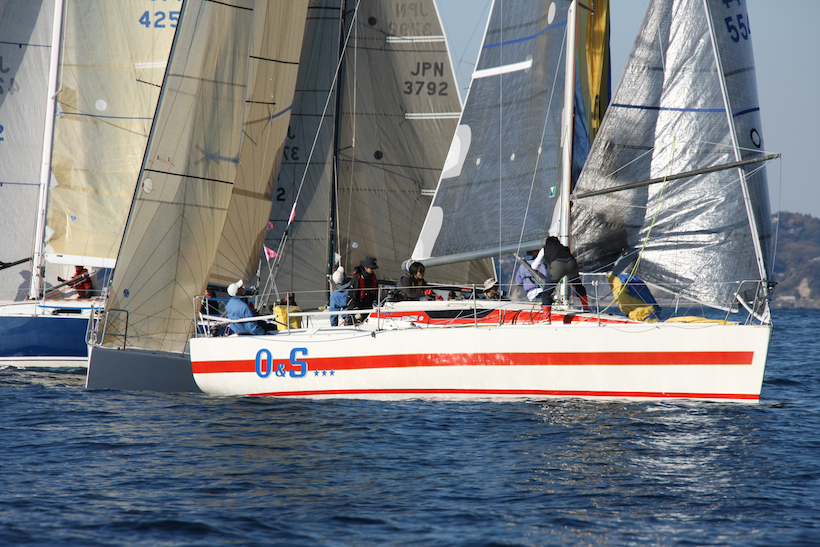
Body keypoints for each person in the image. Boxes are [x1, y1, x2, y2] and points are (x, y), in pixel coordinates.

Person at [530, 236, 590, 323]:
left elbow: (534, 266)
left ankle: (546, 318)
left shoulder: (545, 249)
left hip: (557, 266)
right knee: (578, 286)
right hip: (572, 264)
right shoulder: (564, 248)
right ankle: (586, 308)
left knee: (547, 292)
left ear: (547, 242)